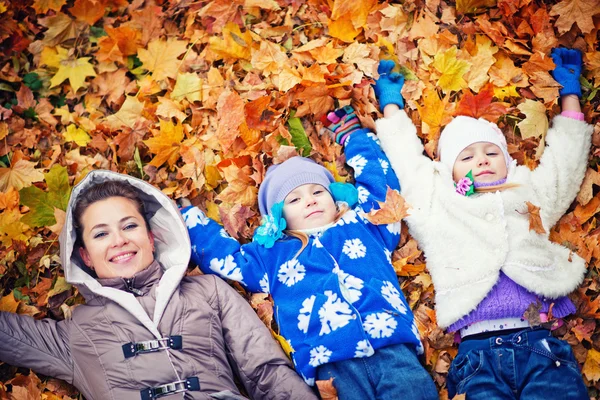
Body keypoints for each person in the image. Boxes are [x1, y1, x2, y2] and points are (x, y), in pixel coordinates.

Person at [371, 48, 591, 399]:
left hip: (540, 344)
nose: (482, 161)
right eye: (467, 156)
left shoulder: (528, 191)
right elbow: (406, 162)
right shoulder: (436, 201)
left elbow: (565, 166)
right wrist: (392, 106)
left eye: (491, 153)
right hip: (478, 356)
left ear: (506, 160)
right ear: (448, 169)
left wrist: (570, 96)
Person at [181, 109, 438, 400]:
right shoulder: (272, 256)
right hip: (331, 367)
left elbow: (382, 188)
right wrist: (187, 219)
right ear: (278, 218)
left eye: (317, 191)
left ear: (335, 196)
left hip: (392, 348)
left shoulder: (365, 225)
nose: (310, 201)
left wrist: (355, 139)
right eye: (294, 199)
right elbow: (227, 258)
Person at [0, 170, 317, 400]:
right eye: (100, 234)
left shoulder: (209, 292)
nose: (119, 240)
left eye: (129, 225)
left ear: (152, 237)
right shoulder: (76, 334)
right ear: (84, 255)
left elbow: (266, 370)